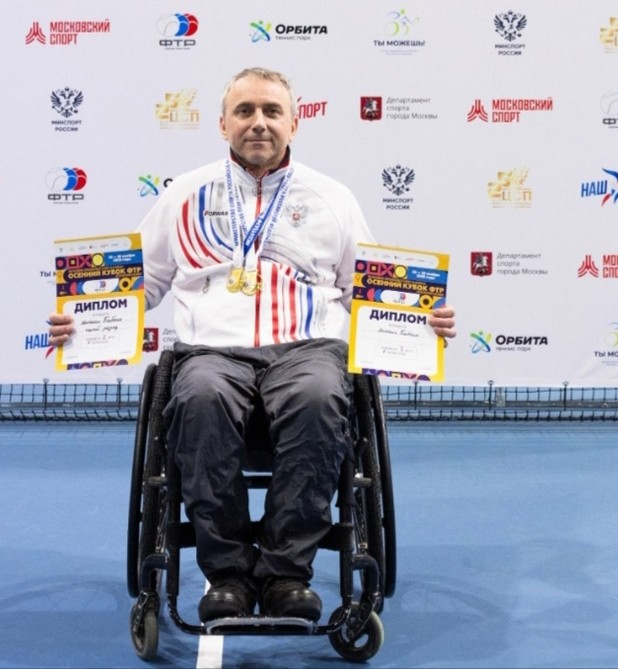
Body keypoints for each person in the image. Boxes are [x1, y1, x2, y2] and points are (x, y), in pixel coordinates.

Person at [49, 67, 456, 623]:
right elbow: (143, 282)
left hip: (308, 348)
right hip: (212, 353)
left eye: (271, 111)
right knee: (199, 398)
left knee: (319, 398)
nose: (258, 123)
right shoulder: (184, 195)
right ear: (223, 124)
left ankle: (286, 574)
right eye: (244, 111)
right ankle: (230, 575)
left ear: (294, 122)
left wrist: (420, 321)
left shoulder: (333, 198)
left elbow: (366, 288)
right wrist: (81, 318)